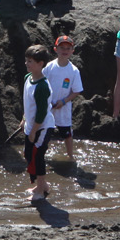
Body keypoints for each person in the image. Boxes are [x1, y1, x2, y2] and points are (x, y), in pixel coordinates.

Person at [20, 44, 55, 203]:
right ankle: (43, 185)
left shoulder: (42, 87)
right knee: (28, 154)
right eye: (26, 60)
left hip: (42, 127)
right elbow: (27, 103)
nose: (27, 64)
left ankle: (40, 190)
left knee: (37, 157)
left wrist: (34, 130)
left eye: (30, 61)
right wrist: (24, 119)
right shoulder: (28, 78)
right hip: (30, 125)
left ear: (40, 64)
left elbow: (41, 112)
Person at [42, 35, 84, 164]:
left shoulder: (74, 71)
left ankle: (71, 157)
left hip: (63, 107)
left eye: (68, 48)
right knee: (44, 131)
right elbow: (42, 83)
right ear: (55, 49)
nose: (65, 50)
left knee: (67, 133)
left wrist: (64, 101)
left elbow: (77, 90)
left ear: (72, 51)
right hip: (48, 106)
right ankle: (41, 154)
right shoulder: (49, 67)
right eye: (62, 48)